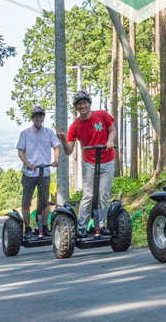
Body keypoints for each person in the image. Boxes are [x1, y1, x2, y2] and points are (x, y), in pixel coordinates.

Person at [56, 89, 116, 235]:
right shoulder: (75, 126)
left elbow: (113, 130)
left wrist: (109, 140)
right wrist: (63, 139)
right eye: (79, 104)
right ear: (76, 107)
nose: (82, 106)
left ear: (89, 103)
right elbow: (69, 150)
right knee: (88, 194)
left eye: (84, 103)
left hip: (107, 159)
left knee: (103, 194)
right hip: (89, 162)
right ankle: (82, 226)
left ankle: (100, 224)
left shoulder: (101, 115)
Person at [16, 105, 60, 238]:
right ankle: (28, 228)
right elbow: (20, 151)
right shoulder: (25, 133)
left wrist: (56, 159)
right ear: (32, 118)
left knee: (44, 201)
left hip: (44, 172)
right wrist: (28, 164)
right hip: (30, 173)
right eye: (36, 116)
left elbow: (56, 146)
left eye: (40, 116)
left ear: (43, 117)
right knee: (26, 202)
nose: (38, 119)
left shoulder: (49, 133)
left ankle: (44, 226)